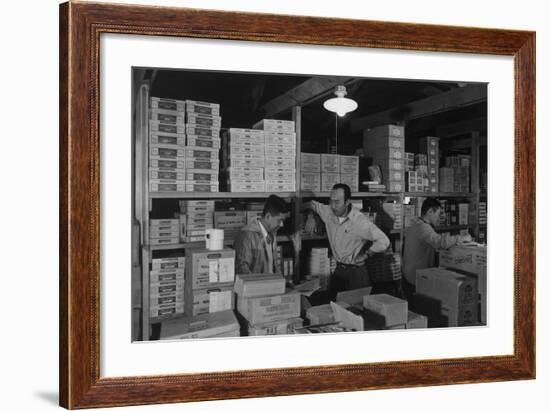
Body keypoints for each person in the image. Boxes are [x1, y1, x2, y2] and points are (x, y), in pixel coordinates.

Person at [304, 183, 390, 299]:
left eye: (337, 202)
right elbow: (310, 204)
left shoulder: (359, 221)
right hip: (339, 270)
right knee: (335, 308)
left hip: (356, 273)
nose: (333, 206)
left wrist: (367, 254)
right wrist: (310, 216)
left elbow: (384, 240)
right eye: (331, 201)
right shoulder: (328, 212)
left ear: (347, 201)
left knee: (356, 310)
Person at [401, 197, 472, 301]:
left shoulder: (416, 224)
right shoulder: (423, 227)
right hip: (414, 278)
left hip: (408, 276)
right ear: (430, 211)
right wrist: (461, 238)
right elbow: (440, 242)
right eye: (438, 214)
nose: (439, 218)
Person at [234, 194, 289, 274]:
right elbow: (242, 271)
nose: (281, 225)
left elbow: (272, 268)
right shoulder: (247, 236)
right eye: (279, 220)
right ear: (268, 217)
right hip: (256, 286)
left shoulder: (271, 236)